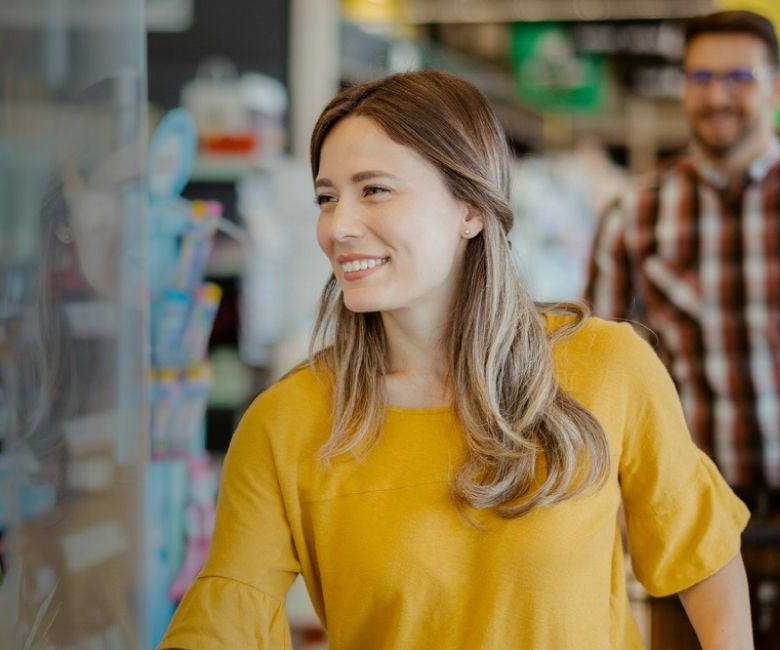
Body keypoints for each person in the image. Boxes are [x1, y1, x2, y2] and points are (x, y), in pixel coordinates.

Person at [158, 69, 752, 649]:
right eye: (326, 197)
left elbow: (702, 556)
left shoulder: (608, 366)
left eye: (375, 190)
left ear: (471, 208)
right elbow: (228, 610)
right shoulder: (285, 424)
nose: (339, 226)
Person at [586, 9, 780, 496]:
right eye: (701, 77)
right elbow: (593, 369)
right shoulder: (632, 214)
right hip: (690, 507)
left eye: (740, 77)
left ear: (775, 88)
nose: (718, 97)